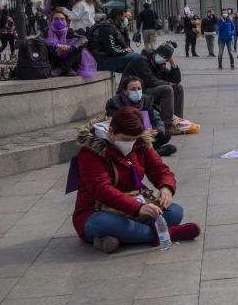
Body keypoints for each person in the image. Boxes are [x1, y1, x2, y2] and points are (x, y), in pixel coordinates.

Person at [72, 107, 200, 254]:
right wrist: (137, 208)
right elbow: (101, 189)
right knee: (102, 224)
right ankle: (170, 233)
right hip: (98, 210)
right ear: (111, 132)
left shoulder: (140, 143)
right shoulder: (90, 152)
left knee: (175, 212)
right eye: (126, 139)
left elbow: (159, 170)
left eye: (135, 139)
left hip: (136, 202)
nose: (131, 143)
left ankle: (120, 238)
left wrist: (166, 188)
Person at [123, 42, 185, 136]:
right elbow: (150, 81)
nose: (162, 58)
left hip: (148, 90)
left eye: (165, 58)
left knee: (178, 88)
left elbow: (176, 80)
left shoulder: (159, 64)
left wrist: (173, 63)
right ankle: (167, 125)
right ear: (156, 53)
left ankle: (177, 121)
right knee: (167, 89)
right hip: (134, 92)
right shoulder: (141, 60)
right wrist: (168, 84)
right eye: (161, 55)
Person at [105, 75, 176, 157]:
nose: (137, 91)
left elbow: (156, 119)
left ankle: (150, 150)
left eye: (139, 88)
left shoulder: (146, 100)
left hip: (148, 134)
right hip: (129, 136)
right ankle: (153, 152)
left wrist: (157, 130)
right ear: (125, 91)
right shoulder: (115, 103)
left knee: (165, 134)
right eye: (133, 89)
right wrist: (142, 133)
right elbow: (117, 126)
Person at [45, 11, 97, 79]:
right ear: (51, 21)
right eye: (56, 19)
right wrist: (56, 45)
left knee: (78, 45)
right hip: (53, 62)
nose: (59, 21)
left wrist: (70, 47)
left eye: (62, 19)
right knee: (45, 44)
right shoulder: (45, 32)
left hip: (71, 63)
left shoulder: (70, 32)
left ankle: (62, 68)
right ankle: (66, 68)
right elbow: (37, 40)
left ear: (66, 22)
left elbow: (83, 39)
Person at [88, 8, 136, 72]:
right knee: (135, 57)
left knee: (133, 66)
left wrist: (128, 49)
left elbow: (123, 43)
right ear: (118, 16)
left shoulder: (113, 26)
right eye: (124, 16)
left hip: (106, 57)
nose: (125, 19)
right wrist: (126, 50)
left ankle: (129, 81)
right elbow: (111, 50)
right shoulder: (106, 27)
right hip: (101, 61)